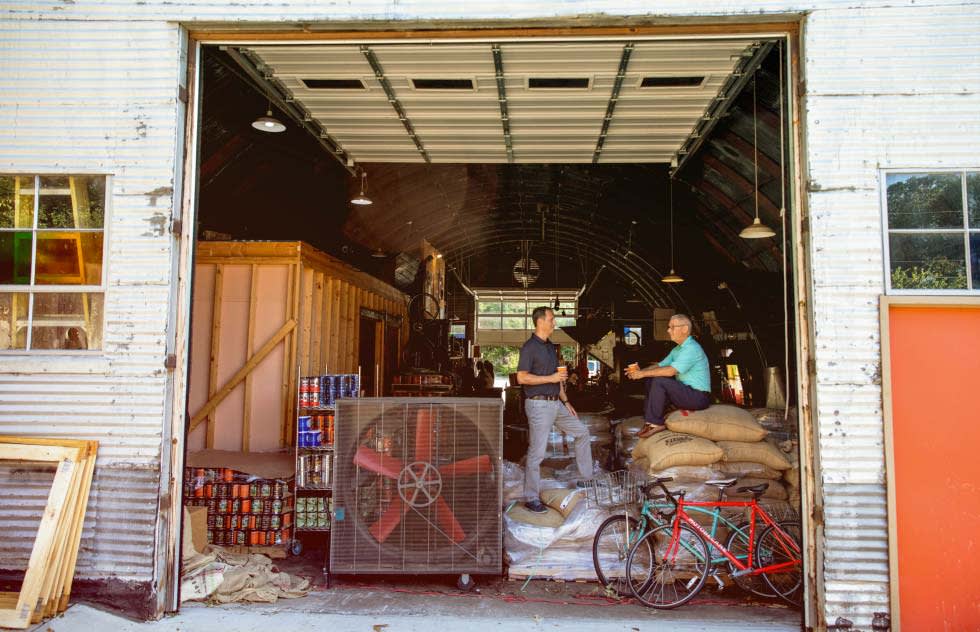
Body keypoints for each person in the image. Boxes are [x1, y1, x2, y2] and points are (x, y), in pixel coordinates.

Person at [517, 306, 592, 514]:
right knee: (537, 453)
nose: (554, 323)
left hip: (556, 403)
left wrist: (566, 401)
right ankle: (531, 497)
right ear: (540, 322)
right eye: (551, 319)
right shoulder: (529, 347)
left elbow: (556, 378)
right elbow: (521, 377)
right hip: (538, 404)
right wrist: (550, 378)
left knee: (582, 433)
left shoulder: (550, 347)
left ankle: (586, 479)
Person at [626, 313, 711, 438]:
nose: (668, 330)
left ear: (685, 329)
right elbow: (660, 365)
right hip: (686, 393)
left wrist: (642, 374)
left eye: (672, 327)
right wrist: (641, 371)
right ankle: (650, 419)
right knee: (652, 378)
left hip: (698, 397)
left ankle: (655, 423)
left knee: (659, 380)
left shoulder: (692, 348)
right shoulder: (677, 349)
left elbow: (671, 371)